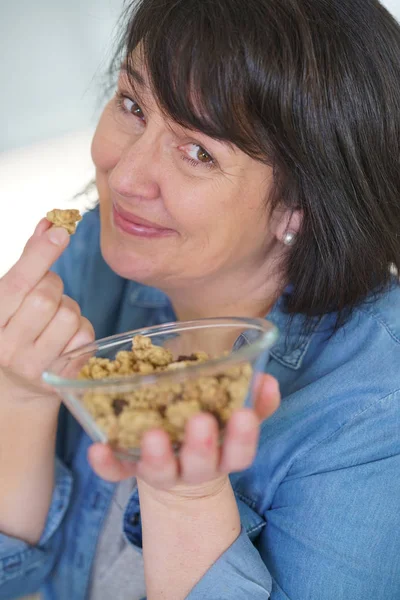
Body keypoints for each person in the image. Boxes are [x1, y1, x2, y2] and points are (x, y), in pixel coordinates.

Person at [1, 0, 400, 598]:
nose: (125, 175)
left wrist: (186, 499)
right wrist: (20, 397)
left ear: (299, 207)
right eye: (133, 107)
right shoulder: (93, 261)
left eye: (198, 153)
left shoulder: (375, 407)